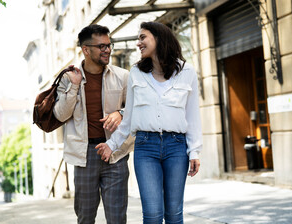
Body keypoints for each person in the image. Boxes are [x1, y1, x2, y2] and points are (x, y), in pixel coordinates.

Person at [96, 21, 203, 224]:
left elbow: (192, 115)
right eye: (138, 38)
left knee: (174, 214)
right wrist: (112, 144)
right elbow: (129, 118)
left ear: (159, 38)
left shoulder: (187, 72)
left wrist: (194, 151)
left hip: (176, 147)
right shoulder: (137, 72)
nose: (138, 43)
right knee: (152, 215)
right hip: (146, 147)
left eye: (143, 37)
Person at [53, 24, 133, 224]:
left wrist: (121, 113)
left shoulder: (123, 76)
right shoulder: (67, 78)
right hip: (84, 155)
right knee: (85, 216)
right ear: (86, 50)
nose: (107, 50)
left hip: (115, 153)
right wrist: (73, 86)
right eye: (101, 46)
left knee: (117, 218)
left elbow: (138, 109)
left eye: (109, 45)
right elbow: (61, 115)